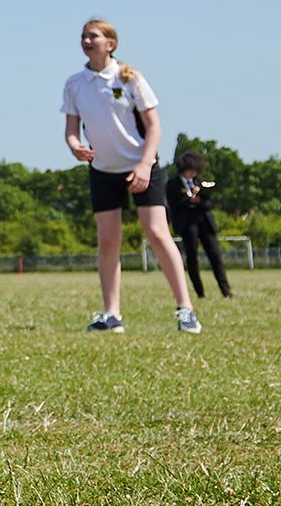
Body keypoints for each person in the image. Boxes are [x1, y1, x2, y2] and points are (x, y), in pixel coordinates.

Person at [61, 17, 198, 335]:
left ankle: (186, 310)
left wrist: (144, 166)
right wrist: (75, 148)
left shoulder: (129, 78)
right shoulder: (74, 84)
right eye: (83, 36)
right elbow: (70, 131)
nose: (86, 40)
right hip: (103, 171)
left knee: (157, 234)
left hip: (142, 166)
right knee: (108, 242)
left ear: (111, 44)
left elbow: (154, 126)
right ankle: (112, 315)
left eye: (92, 36)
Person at [166, 143, 233, 300]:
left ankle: (226, 291)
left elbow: (210, 203)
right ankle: (200, 293)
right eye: (191, 170)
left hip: (204, 222)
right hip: (187, 224)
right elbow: (174, 205)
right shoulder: (173, 184)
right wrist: (189, 199)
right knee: (192, 258)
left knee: (215, 255)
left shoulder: (200, 181)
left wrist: (200, 200)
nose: (193, 173)